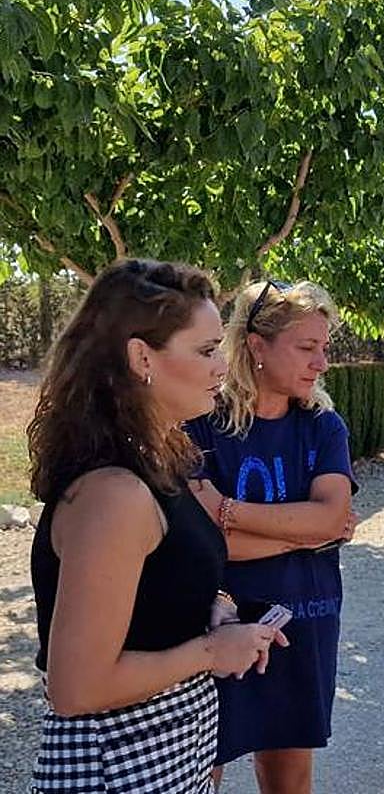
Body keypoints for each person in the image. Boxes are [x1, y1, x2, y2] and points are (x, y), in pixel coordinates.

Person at [28, 259, 285, 793]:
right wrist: (212, 652)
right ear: (142, 356)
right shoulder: (115, 493)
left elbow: (148, 593)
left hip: (165, 750)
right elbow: (76, 687)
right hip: (119, 763)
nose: (223, 367)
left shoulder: (153, 464)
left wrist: (205, 608)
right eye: (207, 350)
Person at [186, 279, 356, 794]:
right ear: (256, 345)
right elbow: (200, 543)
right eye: (307, 348)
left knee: (288, 776)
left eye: (323, 348)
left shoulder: (324, 427)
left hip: (304, 620)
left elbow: (333, 517)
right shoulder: (200, 424)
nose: (321, 363)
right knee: (198, 772)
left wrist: (230, 512)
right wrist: (305, 534)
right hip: (213, 624)